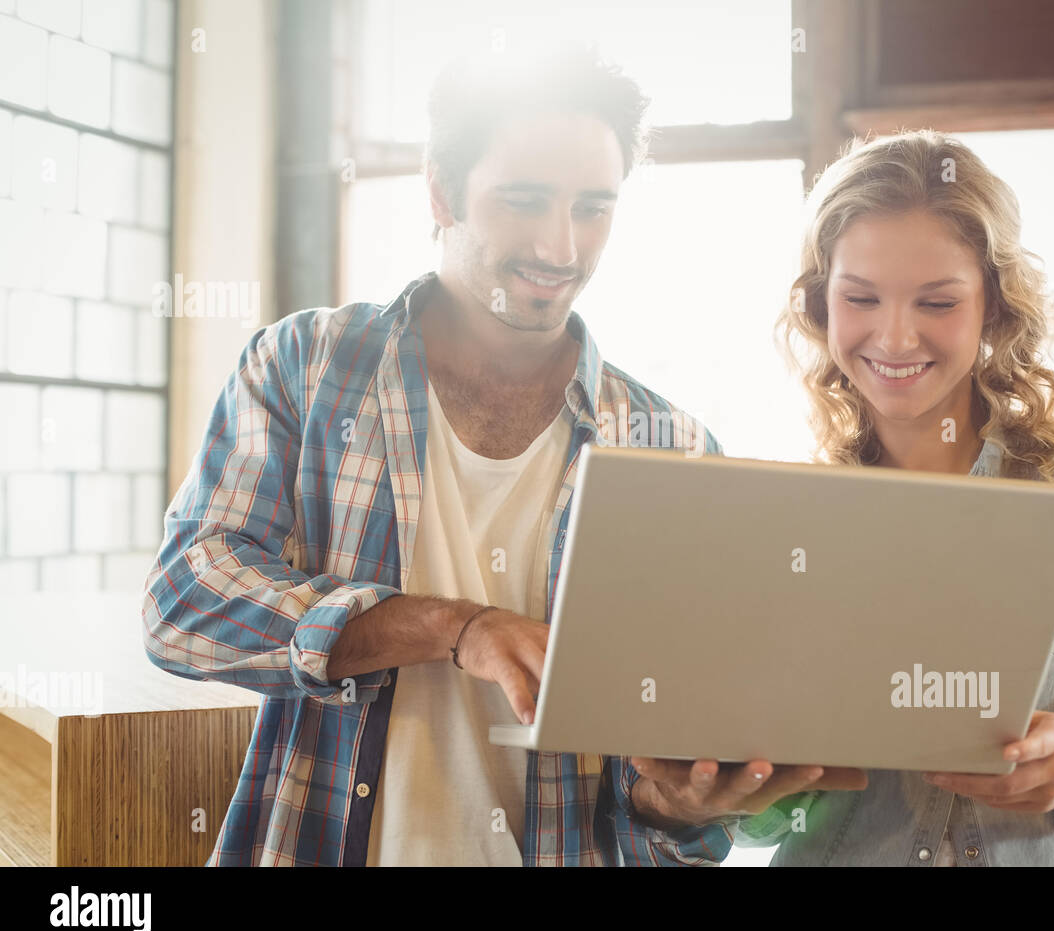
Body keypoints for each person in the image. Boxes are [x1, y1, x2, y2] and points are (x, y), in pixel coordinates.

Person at [141, 44, 861, 867]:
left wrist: (680, 800)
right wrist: (454, 629)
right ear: (441, 191)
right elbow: (182, 606)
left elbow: (659, 803)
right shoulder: (306, 367)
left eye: (593, 207)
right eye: (524, 201)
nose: (561, 246)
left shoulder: (674, 448)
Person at [726, 129, 1054, 865]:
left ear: (995, 304)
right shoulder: (779, 507)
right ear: (821, 305)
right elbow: (754, 816)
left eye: (937, 302)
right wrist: (747, 779)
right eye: (860, 297)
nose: (895, 337)